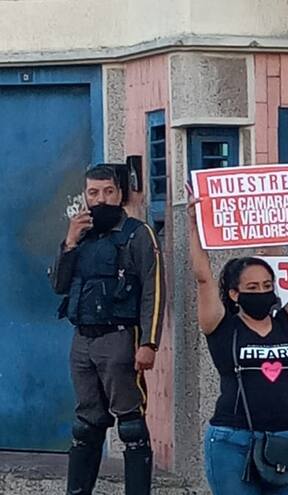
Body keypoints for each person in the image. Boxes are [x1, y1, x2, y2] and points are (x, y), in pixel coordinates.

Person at [188, 192, 288, 494]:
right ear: (235, 294)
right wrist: (195, 226)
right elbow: (203, 278)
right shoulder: (221, 325)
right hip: (231, 440)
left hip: (284, 439)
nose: (262, 292)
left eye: (267, 286)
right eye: (252, 287)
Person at [49, 165, 165, 495]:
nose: (101, 199)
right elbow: (59, 285)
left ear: (119, 193)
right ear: (85, 195)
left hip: (120, 338)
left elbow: (154, 289)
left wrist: (149, 343)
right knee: (85, 426)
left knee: (130, 426)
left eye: (108, 192)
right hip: (82, 340)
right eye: (93, 193)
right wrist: (69, 243)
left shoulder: (137, 233)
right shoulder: (79, 235)